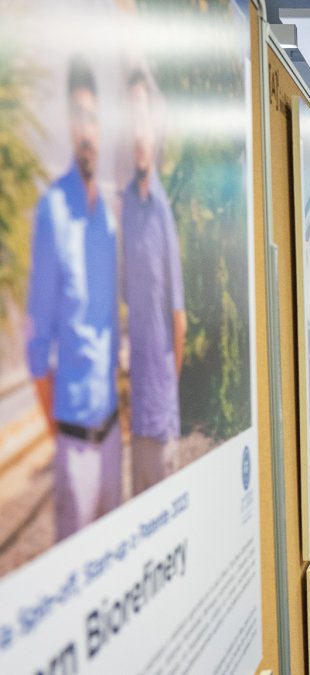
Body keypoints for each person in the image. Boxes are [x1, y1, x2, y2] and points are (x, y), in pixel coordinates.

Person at [26, 56, 121, 541]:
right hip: (76, 448)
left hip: (112, 443)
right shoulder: (52, 212)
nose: (87, 131)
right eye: (79, 117)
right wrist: (61, 432)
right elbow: (37, 343)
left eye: (94, 119)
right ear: (69, 123)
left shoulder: (106, 219)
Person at [121, 68, 186, 496]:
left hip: (159, 416)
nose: (138, 134)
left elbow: (178, 321)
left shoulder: (160, 210)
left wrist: (165, 395)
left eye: (144, 120)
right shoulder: (127, 201)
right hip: (135, 411)